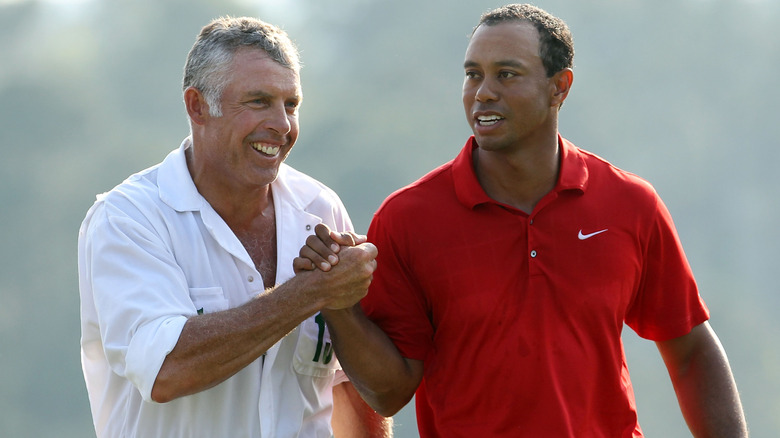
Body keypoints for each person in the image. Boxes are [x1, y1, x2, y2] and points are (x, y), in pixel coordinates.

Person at [296, 4, 748, 437]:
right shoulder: (407, 218)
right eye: (473, 75)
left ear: (560, 87)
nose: (483, 92)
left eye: (506, 74)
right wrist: (337, 302)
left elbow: (691, 351)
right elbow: (389, 392)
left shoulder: (631, 204)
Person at [77, 16, 390, 438]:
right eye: (259, 101)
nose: (282, 125)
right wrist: (313, 291)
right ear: (197, 106)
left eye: (291, 104)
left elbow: (346, 390)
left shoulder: (320, 208)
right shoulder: (127, 218)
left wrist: (343, 305)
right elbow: (166, 370)